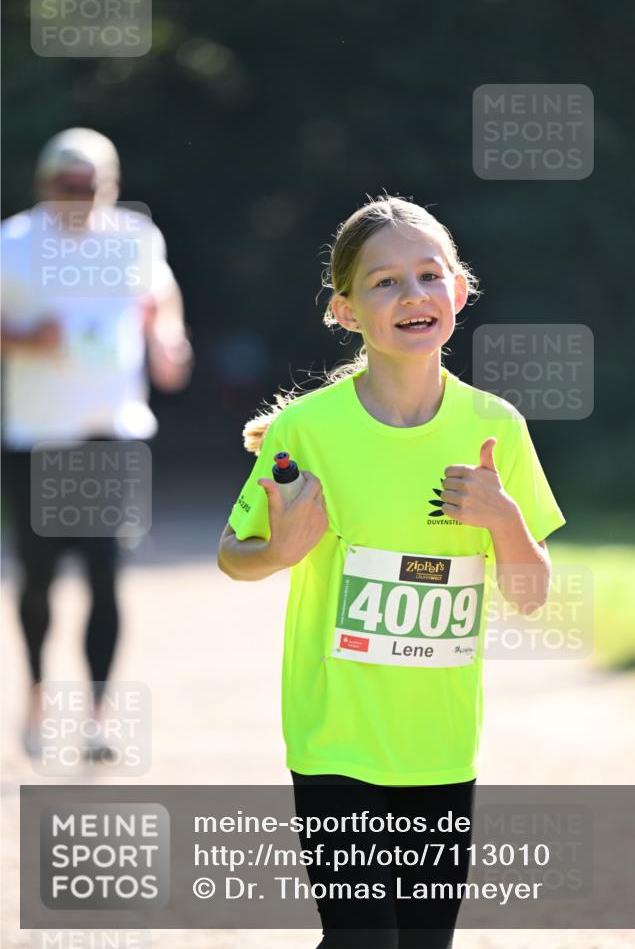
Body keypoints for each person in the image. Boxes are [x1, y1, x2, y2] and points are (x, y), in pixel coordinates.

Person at [217, 196, 565, 948]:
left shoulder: (494, 429)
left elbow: (531, 596)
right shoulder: (305, 430)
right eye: (384, 283)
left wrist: (502, 520)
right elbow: (231, 554)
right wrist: (278, 551)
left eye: (427, 276)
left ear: (458, 291)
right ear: (344, 311)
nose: (411, 296)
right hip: (332, 737)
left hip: (438, 745)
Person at [1, 127, 193, 759]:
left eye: (91, 187)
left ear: (110, 185)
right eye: (67, 187)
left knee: (107, 577)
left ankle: (98, 717)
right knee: (37, 581)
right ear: (44, 186)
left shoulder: (136, 239)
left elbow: (159, 295)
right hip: (37, 438)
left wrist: (168, 338)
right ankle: (34, 693)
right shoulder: (15, 244)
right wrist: (28, 342)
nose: (80, 199)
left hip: (113, 433)